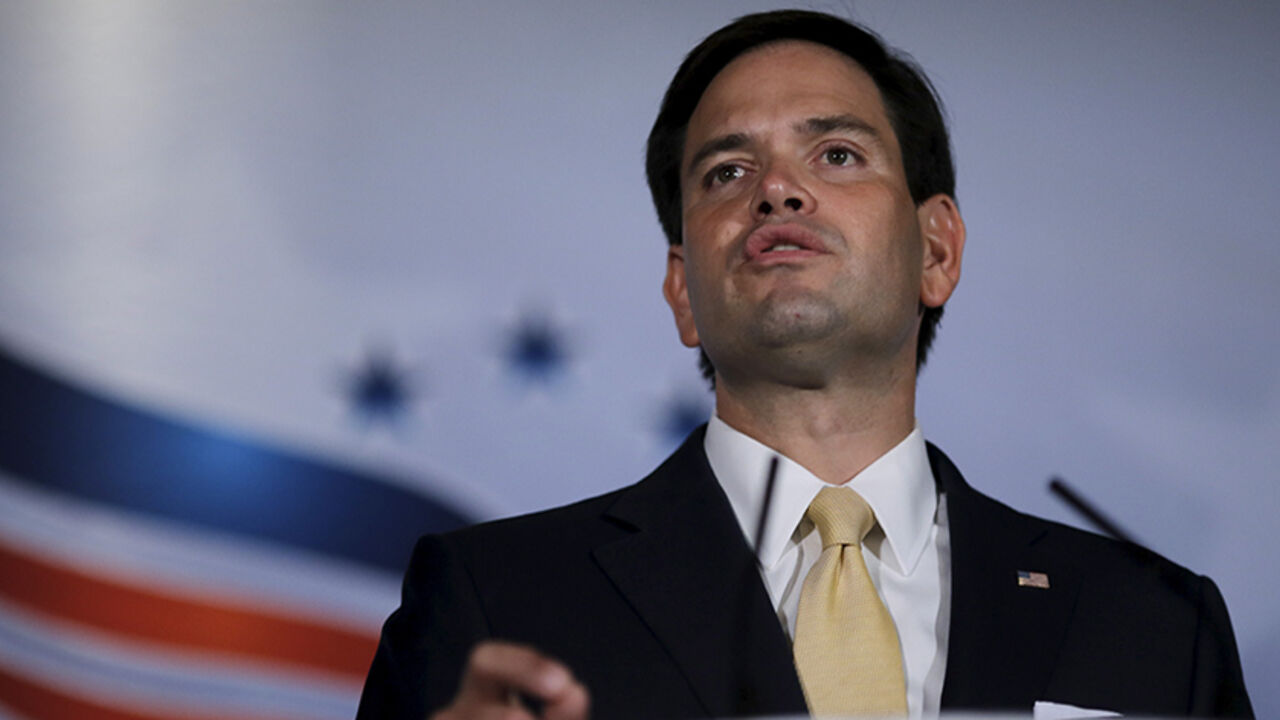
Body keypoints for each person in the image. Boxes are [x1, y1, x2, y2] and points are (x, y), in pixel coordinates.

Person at [357, 10, 1253, 719]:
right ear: (681, 291)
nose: (776, 190)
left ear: (936, 251)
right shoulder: (498, 605)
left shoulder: (1154, 624)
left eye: (836, 154)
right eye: (725, 172)